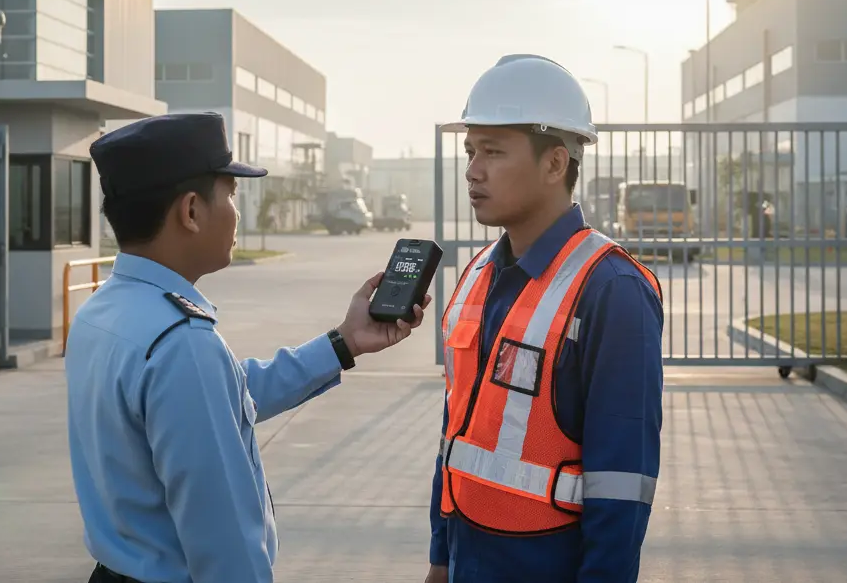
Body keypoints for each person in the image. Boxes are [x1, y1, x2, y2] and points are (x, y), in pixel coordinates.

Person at [64, 112, 431, 583]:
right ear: (191, 211)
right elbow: (226, 550)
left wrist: (345, 343)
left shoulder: (104, 311)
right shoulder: (181, 344)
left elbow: (228, 395)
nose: (236, 212)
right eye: (232, 195)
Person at [426, 55, 664, 583]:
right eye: (470, 151)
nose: (472, 169)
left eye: (493, 151)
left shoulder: (613, 291)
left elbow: (623, 483)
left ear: (556, 164)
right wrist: (440, 558)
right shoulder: (478, 276)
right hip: (468, 558)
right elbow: (457, 435)